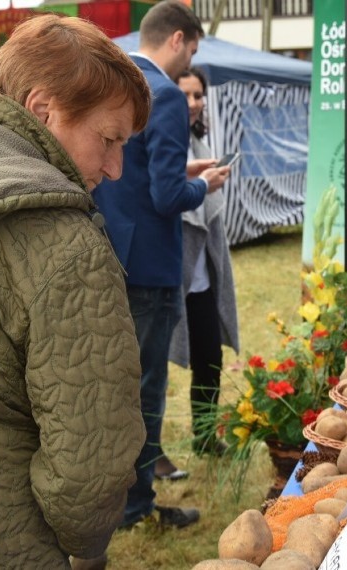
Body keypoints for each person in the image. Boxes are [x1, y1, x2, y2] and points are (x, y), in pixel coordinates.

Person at [0, 14, 147, 567]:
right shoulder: (65, 246)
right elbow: (89, 470)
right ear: (43, 111)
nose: (114, 168)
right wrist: (85, 549)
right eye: (108, 140)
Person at [93, 0, 230, 528]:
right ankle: (136, 506)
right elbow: (168, 194)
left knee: (113, 384)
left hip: (111, 254)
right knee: (147, 390)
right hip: (151, 263)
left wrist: (181, 168)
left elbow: (133, 171)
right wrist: (205, 183)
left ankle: (114, 496)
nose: (187, 61)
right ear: (176, 39)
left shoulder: (113, 82)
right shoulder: (167, 96)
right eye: (191, 50)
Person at [159, 67, 239, 478]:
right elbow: (168, 198)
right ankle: (151, 455)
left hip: (202, 270)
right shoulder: (164, 138)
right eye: (186, 95)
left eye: (198, 95)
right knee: (153, 367)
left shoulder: (200, 140)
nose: (194, 102)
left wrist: (213, 183)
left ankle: (205, 434)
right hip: (171, 268)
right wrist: (204, 185)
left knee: (210, 357)